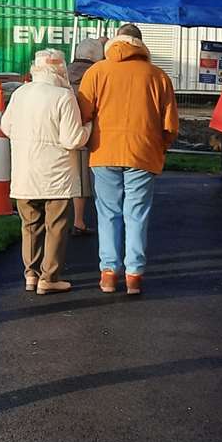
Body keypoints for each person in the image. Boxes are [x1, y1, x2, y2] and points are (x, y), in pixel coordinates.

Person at [76, 23, 179, 296]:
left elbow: (83, 114)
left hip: (103, 152)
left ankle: (108, 274)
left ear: (114, 42)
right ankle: (134, 275)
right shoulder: (158, 77)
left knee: (108, 213)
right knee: (137, 215)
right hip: (143, 153)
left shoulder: (96, 72)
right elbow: (170, 126)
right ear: (142, 45)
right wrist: (160, 147)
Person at [1, 48, 91, 294]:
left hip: (24, 172)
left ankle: (30, 274)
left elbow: (6, 126)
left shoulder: (20, 93)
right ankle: (49, 278)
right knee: (56, 226)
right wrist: (89, 127)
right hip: (56, 175)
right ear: (61, 69)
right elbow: (73, 139)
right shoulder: (64, 96)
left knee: (30, 225)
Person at [67, 36, 106, 235]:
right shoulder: (96, 75)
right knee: (82, 178)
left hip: (60, 131)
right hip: (84, 131)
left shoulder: (63, 72)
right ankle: (78, 221)